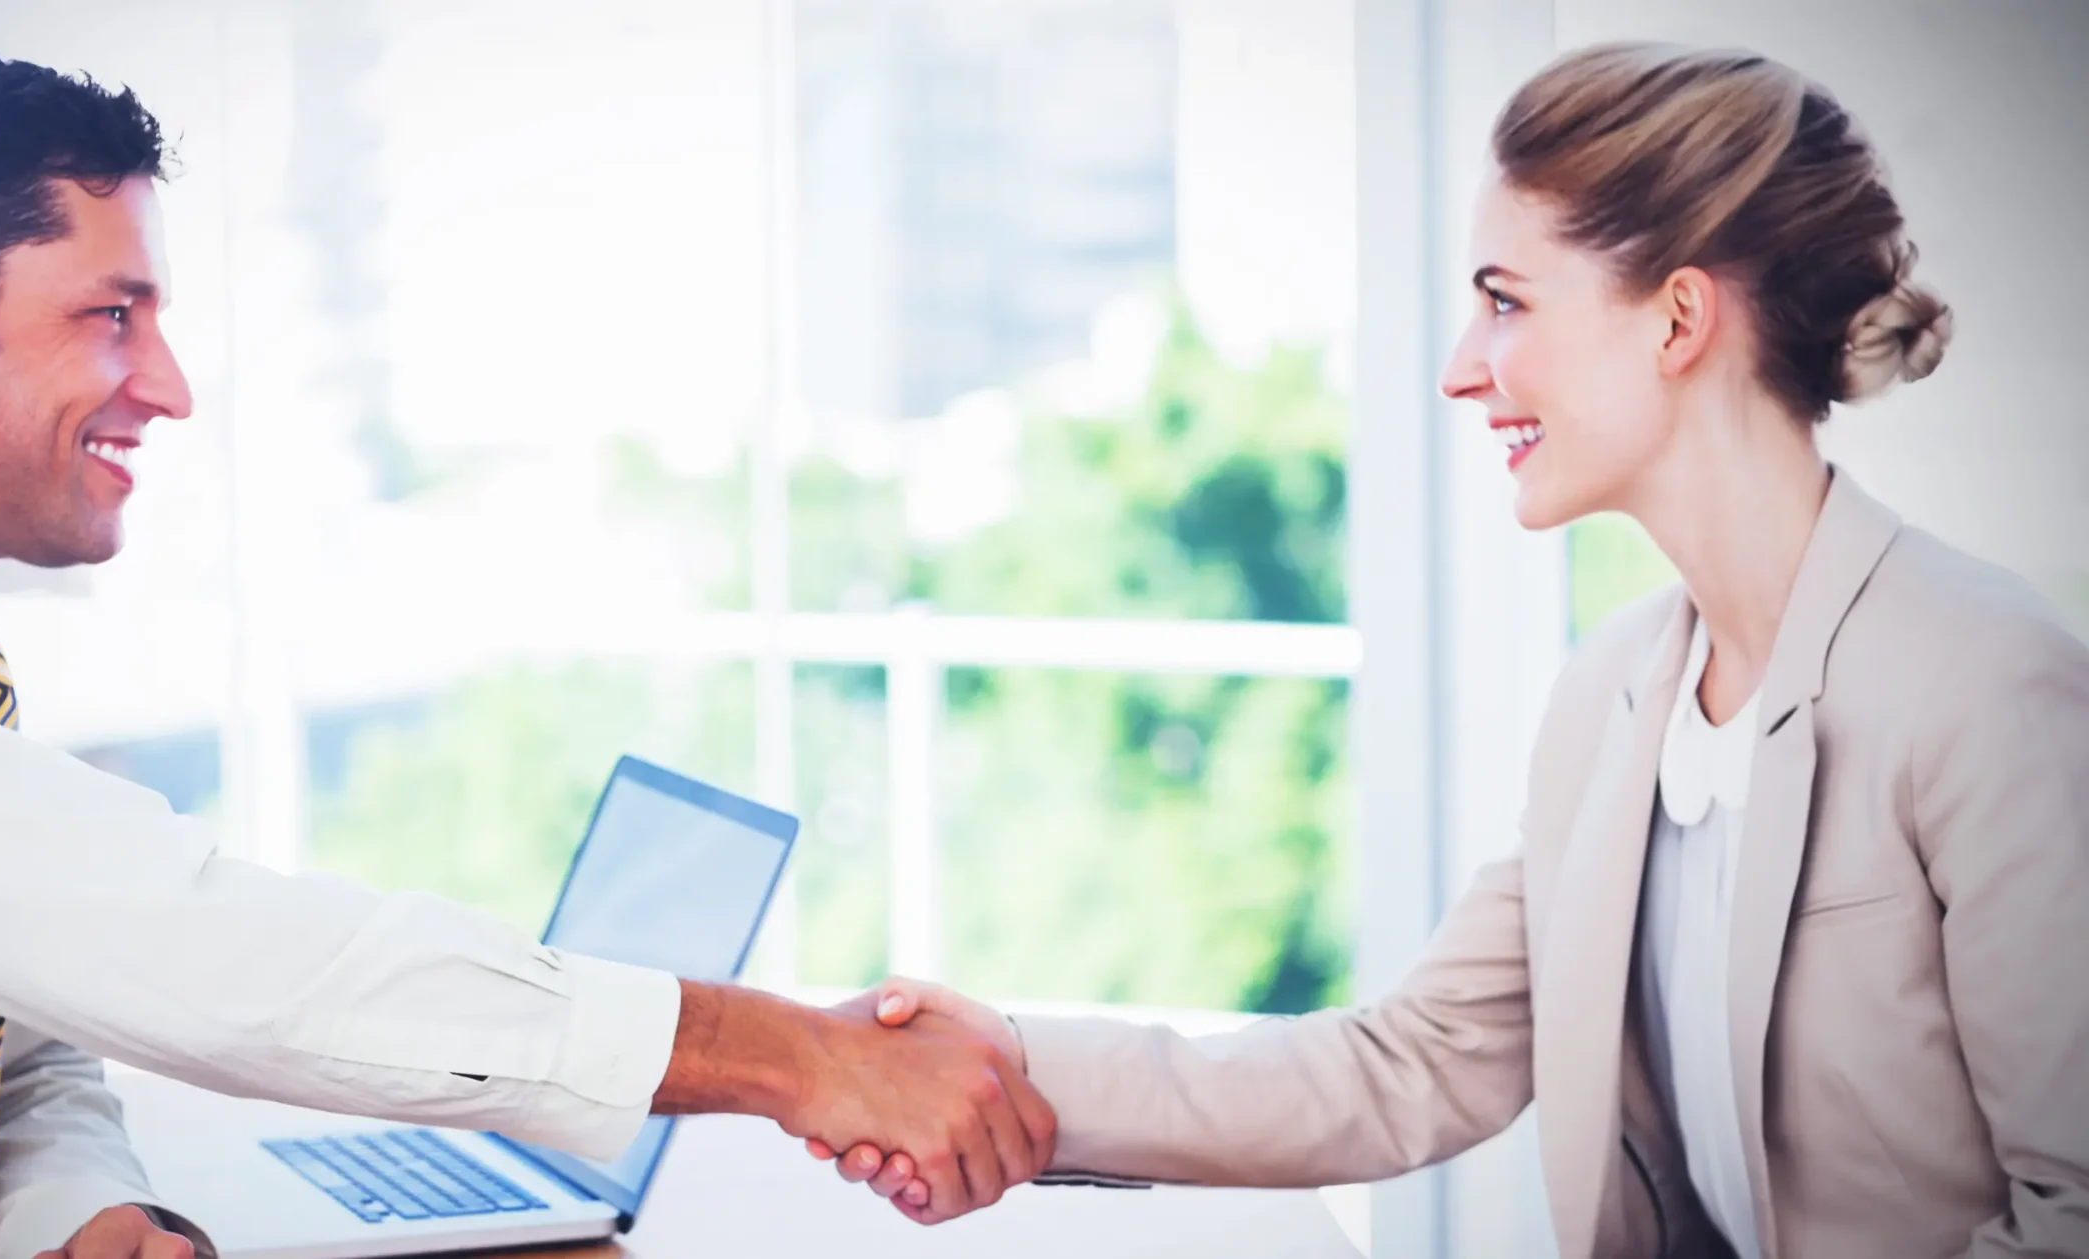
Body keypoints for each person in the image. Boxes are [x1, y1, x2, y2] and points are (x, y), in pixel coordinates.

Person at [0, 49, 1052, 1259]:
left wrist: (79, 1212)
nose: (171, 385)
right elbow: (183, 942)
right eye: (113, 313)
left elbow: (2, 1048)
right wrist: (790, 1054)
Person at [810, 41, 2089, 1258]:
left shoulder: (1981, 681)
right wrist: (1008, 1063)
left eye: (1503, 303)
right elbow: (1404, 1065)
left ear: (1677, 318)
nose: (1460, 371)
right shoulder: (1612, 700)